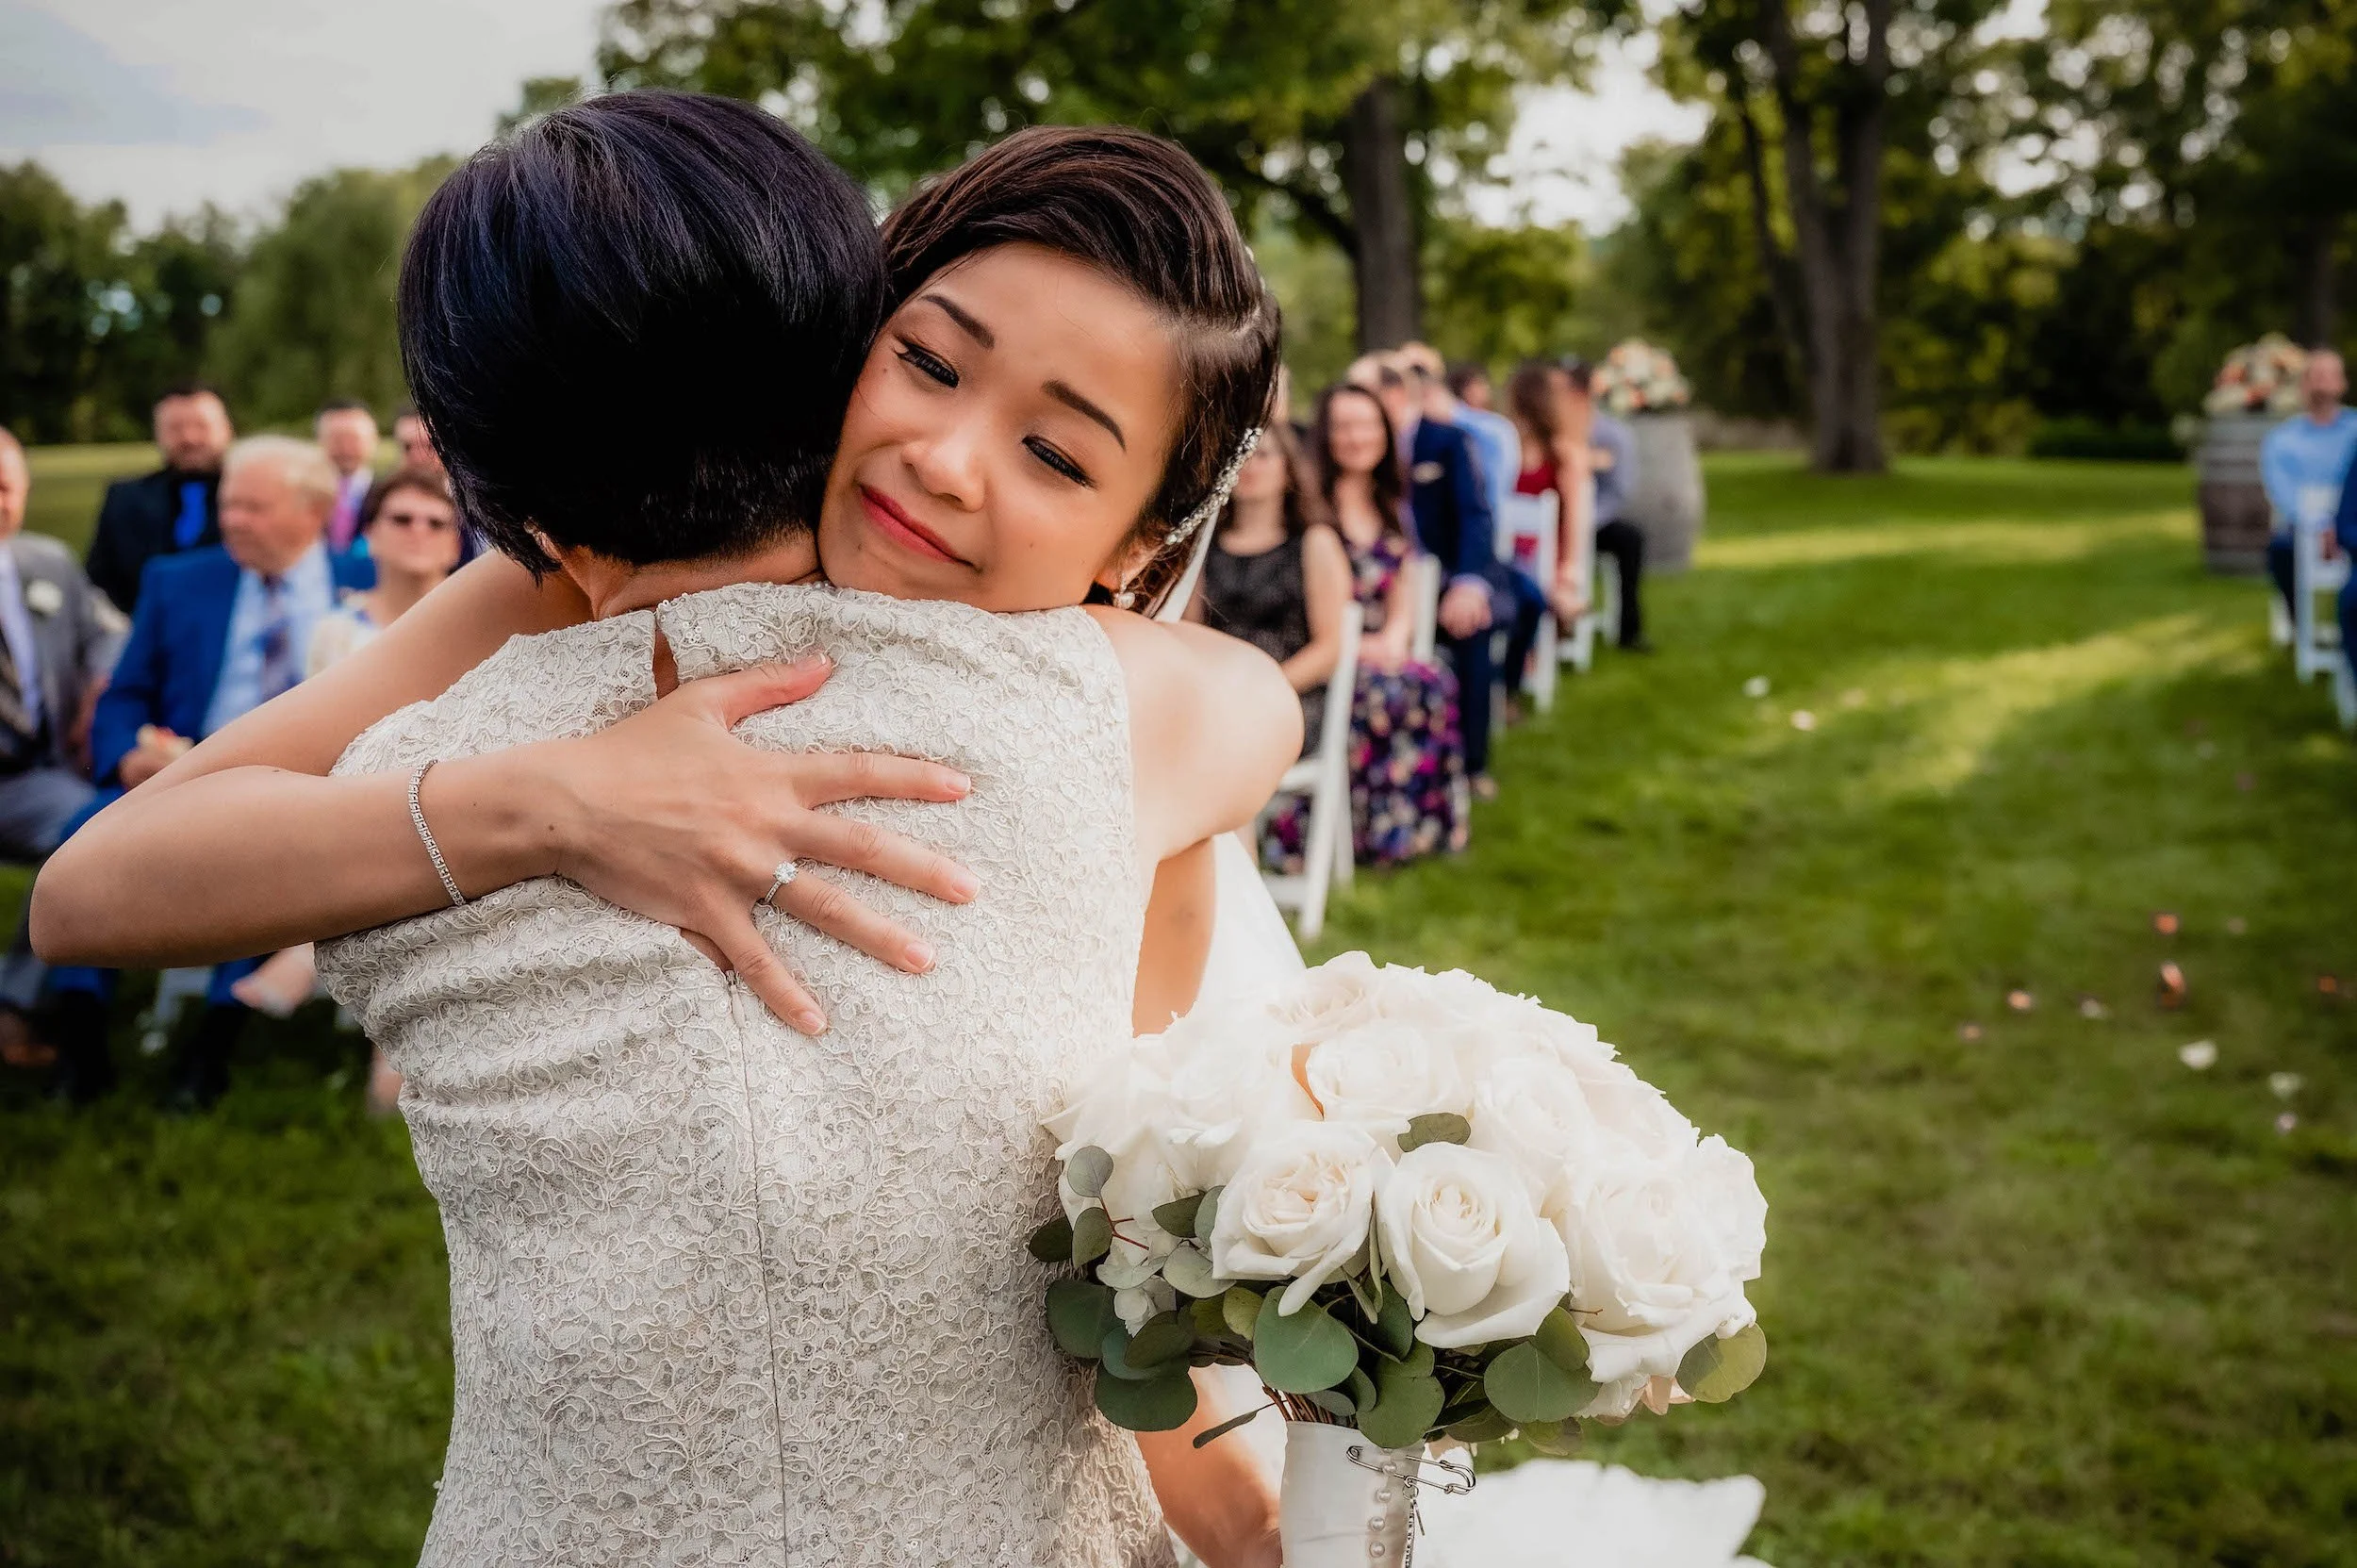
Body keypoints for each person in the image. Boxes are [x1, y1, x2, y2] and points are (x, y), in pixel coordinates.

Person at [38, 99, 1293, 1567]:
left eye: (1058, 457)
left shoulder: (1141, 728)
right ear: (849, 331)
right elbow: (93, 885)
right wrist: (567, 798)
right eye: (928, 361)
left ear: (1146, 544)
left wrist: (1244, 1519)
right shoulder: (561, 595)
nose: (945, 460)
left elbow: (1122, 1201)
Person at [44, 435, 374, 1109]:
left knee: (264, 852)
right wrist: (127, 755)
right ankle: (79, 1040)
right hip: (176, 768)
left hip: (305, 783)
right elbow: (126, 693)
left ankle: (211, 1045)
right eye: (229, 504)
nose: (232, 520)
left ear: (313, 512)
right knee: (81, 836)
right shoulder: (177, 578)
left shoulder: (364, 584)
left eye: (254, 507)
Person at [232, 463, 465, 1107]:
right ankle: (385, 1036)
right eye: (402, 518)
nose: (419, 531)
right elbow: (316, 737)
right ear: (370, 535)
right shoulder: (337, 632)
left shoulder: (481, 624)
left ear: (454, 540)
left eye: (436, 521)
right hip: (349, 801)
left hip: (452, 803)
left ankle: (305, 958)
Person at [0, 428, 126, 1089]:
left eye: (5, 486)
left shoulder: (44, 561)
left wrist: (100, 684)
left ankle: (16, 1002)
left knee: (92, 828)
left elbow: (110, 633)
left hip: (32, 777)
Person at [1310, 381, 1469, 864]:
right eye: (1344, 426)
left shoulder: (1391, 503)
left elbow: (1406, 579)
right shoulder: (1313, 506)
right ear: (1326, 436)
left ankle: (1425, 829)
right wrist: (1360, 648)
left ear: (1384, 432)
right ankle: (1370, 837)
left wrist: (1396, 636)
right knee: (1385, 692)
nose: (1357, 437)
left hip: (1380, 645)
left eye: (1367, 425)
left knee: (1434, 680)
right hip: (1329, 648)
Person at [1190, 420, 1353, 869]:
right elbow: (1188, 635)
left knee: (1225, 752)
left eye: (1263, 456)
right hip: (1218, 699)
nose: (1250, 467)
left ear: (1289, 469)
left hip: (1291, 699)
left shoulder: (1314, 543)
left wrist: (1262, 690)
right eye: (1241, 457)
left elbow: (1330, 648)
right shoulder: (1207, 546)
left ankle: (1237, 896)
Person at [1357, 357, 1520, 791]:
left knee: (1470, 624)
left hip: (1447, 576)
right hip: (1378, 581)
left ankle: (1471, 766)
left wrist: (1467, 583)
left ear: (1393, 396)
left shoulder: (1447, 441)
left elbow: (1476, 517)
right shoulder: (1353, 453)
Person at [85, 383, 234, 614]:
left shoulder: (254, 498)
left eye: (201, 427)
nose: (189, 439)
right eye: (175, 429)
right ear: (158, 434)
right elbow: (99, 582)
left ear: (227, 429)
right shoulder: (125, 498)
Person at [1564, 356, 1652, 652]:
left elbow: (1620, 491)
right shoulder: (1547, 432)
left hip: (1596, 520)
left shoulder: (1614, 434)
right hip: (1553, 521)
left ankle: (1629, 629)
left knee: (1631, 539)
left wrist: (1586, 521)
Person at [2262, 348, 2356, 620]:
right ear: (2304, 384)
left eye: (2330, 375)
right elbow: (2282, 492)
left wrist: (2341, 527)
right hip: (2304, 530)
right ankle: (2301, 622)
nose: (2323, 383)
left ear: (2343, 383)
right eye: (2317, 375)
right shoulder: (2282, 439)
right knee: (2281, 547)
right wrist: (2321, 525)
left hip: (2352, 525)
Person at [314, 400, 380, 552]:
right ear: (320, 441)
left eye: (353, 439)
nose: (345, 448)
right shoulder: (303, 495)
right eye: (336, 439)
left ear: (373, 440)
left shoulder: (387, 496)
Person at [389, 404, 444, 478]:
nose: (418, 458)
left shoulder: (464, 489)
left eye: (429, 447)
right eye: (407, 447)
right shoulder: (383, 488)